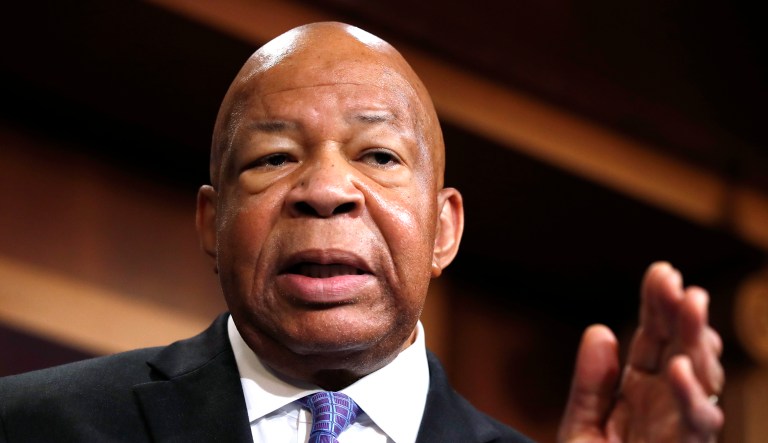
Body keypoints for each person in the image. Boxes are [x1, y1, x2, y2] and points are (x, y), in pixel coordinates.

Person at [0, 22, 723, 443]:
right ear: (211, 224)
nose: (325, 190)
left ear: (444, 230)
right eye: (274, 157)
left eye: (377, 156)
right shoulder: (31, 424)